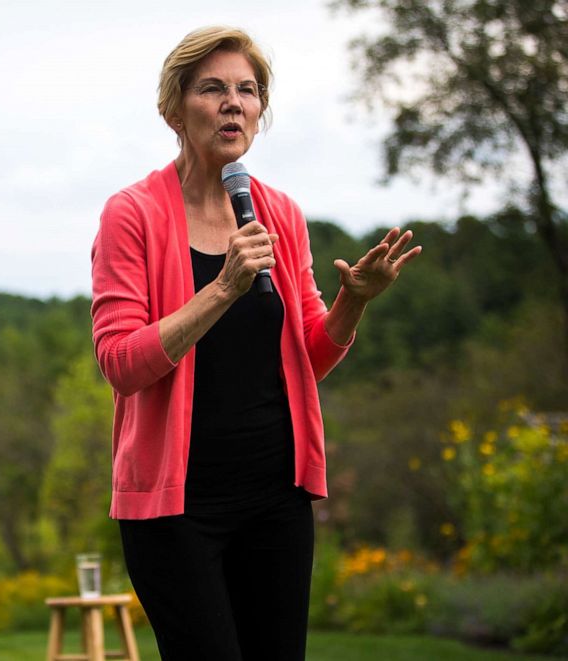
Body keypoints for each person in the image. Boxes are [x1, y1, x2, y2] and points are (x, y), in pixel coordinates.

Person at [90, 26, 421, 660]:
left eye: (247, 90)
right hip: (175, 506)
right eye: (212, 88)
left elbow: (308, 358)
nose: (234, 103)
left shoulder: (278, 213)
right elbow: (120, 364)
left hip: (276, 498)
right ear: (173, 108)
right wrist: (223, 288)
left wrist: (354, 300)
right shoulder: (131, 214)